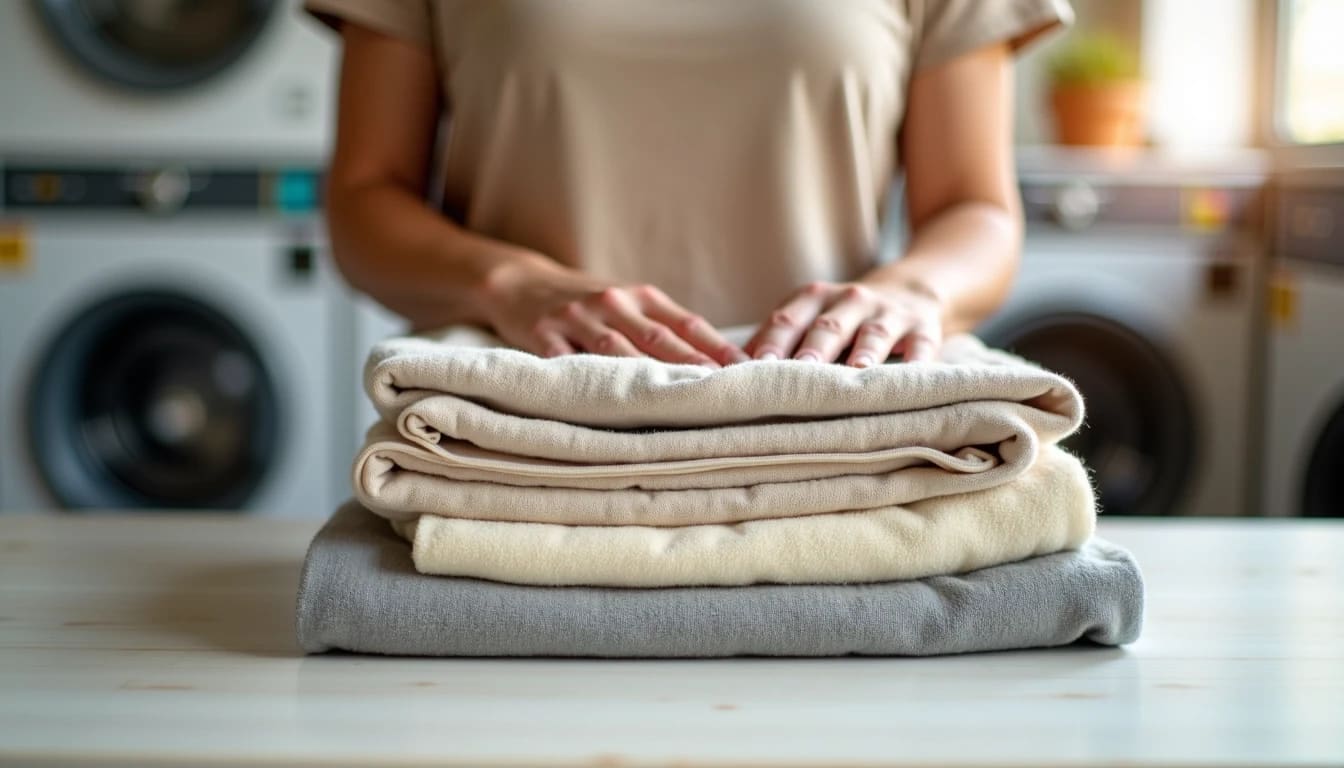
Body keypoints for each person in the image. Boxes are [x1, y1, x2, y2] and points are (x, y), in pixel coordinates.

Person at [307, 0, 1072, 368]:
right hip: (523, 398)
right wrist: (510, 285)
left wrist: (912, 292)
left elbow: (976, 208)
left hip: (827, 406)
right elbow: (368, 195)